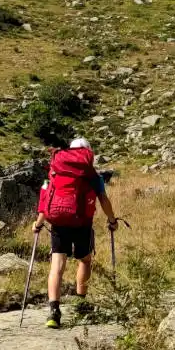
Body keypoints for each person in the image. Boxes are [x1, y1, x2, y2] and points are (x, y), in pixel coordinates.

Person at [34, 137, 118, 329]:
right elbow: (103, 200)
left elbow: (45, 200)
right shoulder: (92, 176)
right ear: (87, 153)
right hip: (82, 223)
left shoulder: (54, 172)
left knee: (57, 267)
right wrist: (112, 221)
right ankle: (81, 303)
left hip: (57, 221)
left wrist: (38, 224)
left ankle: (54, 312)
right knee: (85, 260)